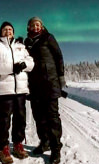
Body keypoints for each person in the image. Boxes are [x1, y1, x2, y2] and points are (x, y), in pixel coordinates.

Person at [0, 21, 34, 164]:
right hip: (3, 91)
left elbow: (31, 62)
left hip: (20, 90)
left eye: (10, 29)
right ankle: (3, 149)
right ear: (1, 32)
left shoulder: (20, 46)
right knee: (3, 121)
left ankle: (18, 145)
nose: (8, 31)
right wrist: (13, 67)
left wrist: (25, 65)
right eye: (5, 29)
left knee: (20, 119)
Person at [24, 17, 66, 164]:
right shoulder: (27, 43)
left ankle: (56, 149)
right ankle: (45, 142)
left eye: (38, 24)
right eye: (33, 25)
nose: (36, 27)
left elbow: (58, 57)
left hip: (50, 82)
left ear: (41, 26)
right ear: (29, 27)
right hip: (34, 85)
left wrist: (60, 77)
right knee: (38, 116)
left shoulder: (48, 37)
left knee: (52, 117)